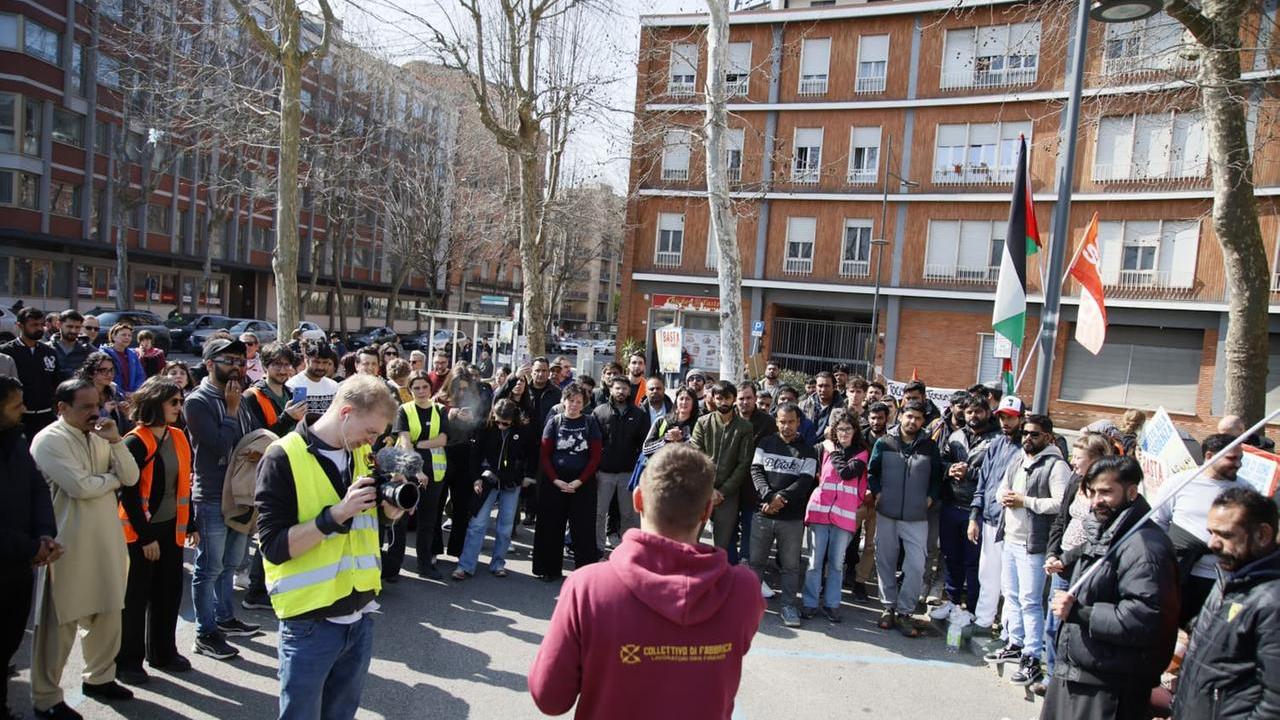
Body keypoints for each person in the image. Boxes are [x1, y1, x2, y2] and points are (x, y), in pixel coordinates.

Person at [529, 443, 765, 720]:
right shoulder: (743, 589)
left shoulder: (587, 587)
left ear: (638, 499)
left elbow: (550, 698)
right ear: (707, 511)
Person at [254, 375, 406, 720]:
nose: (373, 440)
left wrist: (390, 514)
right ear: (346, 412)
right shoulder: (281, 457)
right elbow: (273, 547)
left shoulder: (363, 453)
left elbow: (366, 527)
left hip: (361, 615)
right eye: (370, 432)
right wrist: (336, 515)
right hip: (311, 623)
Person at [30, 379, 140, 718]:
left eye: (98, 404)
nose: (96, 413)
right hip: (67, 544)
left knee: (108, 612)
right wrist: (112, 481)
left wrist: (117, 442)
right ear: (62, 408)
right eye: (86, 407)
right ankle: (46, 698)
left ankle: (100, 677)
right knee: (59, 623)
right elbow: (79, 487)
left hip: (107, 539)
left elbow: (132, 476)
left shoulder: (102, 435)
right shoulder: (49, 440)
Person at [1042, 456, 1180, 720]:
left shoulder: (1146, 547)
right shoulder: (1109, 531)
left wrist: (1080, 613)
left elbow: (1146, 618)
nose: (1097, 501)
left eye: (1106, 492)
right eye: (1092, 492)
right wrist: (1067, 560)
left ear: (1131, 492)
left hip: (1109, 688)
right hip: (1080, 674)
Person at [116, 378, 197, 685]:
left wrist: (190, 524)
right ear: (154, 404)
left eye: (180, 401)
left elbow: (184, 486)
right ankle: (128, 661)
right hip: (139, 534)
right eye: (173, 402)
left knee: (168, 592)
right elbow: (130, 495)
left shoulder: (178, 436)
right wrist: (146, 537)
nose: (179, 407)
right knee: (135, 598)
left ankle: (163, 652)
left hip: (170, 530)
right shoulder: (134, 441)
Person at [1173, 487, 1280, 720]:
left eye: (1225, 535)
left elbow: (1275, 704)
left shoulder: (1272, 602)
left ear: (1262, 535)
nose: (1212, 544)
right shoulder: (1227, 578)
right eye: (1211, 532)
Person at [184, 338, 258, 661]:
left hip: (241, 492)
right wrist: (229, 411)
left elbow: (250, 436)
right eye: (228, 360)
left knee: (231, 562)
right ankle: (205, 632)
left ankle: (225, 617)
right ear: (210, 363)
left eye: (240, 361)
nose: (237, 367)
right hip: (213, 493)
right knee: (209, 566)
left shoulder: (239, 397)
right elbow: (215, 445)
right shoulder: (197, 401)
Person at [983, 413, 1070, 687]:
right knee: (1011, 595)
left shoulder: (1057, 466)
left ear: (1048, 437)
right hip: (1011, 536)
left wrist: (1025, 501)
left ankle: (1032, 657)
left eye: (1034, 434)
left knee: (1031, 600)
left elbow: (1059, 504)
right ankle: (1015, 642)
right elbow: (1000, 489)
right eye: (1025, 434)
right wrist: (1005, 497)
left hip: (1035, 543)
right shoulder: (1019, 459)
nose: (1028, 439)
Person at [0, 376, 60, 720]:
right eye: (15, 404)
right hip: (12, 555)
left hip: (21, 563)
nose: (24, 409)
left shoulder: (16, 440)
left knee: (8, 641)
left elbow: (38, 489)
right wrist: (30, 546)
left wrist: (44, 535)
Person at [1152, 432, 1250, 628]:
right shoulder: (1180, 482)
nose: (1238, 464)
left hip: (1222, 581)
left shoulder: (1246, 491)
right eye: (1232, 458)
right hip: (1180, 578)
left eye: (1241, 459)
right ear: (1209, 456)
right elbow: (1158, 523)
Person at [1041, 432, 1113, 691]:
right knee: (1052, 626)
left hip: (1084, 567)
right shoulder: (1075, 481)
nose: (1073, 463)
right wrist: (1052, 553)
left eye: (1078, 458)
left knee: (1073, 627)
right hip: (1060, 563)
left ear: (1096, 460)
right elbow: (1061, 520)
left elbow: (1100, 537)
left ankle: (1067, 680)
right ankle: (1050, 677)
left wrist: (1065, 559)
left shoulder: (1105, 494)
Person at [868, 400, 943, 638]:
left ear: (923, 421)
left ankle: (905, 611)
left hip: (917, 517)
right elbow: (872, 472)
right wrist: (878, 493)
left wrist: (929, 499)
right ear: (901, 416)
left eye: (918, 418)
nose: (913, 422)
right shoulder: (884, 442)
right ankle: (888, 607)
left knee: (916, 565)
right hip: (887, 513)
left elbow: (937, 478)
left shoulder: (930, 447)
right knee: (885, 561)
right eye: (909, 416)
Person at [749, 401, 817, 627]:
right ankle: (750, 606)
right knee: (756, 563)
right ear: (776, 421)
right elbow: (756, 470)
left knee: (790, 566)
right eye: (782, 422)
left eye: (791, 422)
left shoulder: (808, 448)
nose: (786, 426)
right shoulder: (765, 442)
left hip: (792, 518)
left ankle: (788, 606)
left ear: (799, 423)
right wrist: (769, 497)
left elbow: (805, 481)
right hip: (763, 513)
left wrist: (780, 500)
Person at [932, 392, 998, 622]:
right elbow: (940, 461)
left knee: (973, 562)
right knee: (951, 557)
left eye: (979, 411)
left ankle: (971, 608)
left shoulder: (996, 440)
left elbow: (995, 476)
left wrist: (970, 472)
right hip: (951, 504)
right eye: (969, 411)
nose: (973, 416)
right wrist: (949, 468)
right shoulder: (956, 435)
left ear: (988, 413)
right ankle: (951, 602)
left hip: (976, 511)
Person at [968, 395, 1026, 639]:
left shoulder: (1026, 448)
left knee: (1010, 583)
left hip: (1014, 524)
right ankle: (983, 620)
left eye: (1011, 417)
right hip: (990, 520)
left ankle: (1008, 632)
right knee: (987, 574)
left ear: (1021, 419)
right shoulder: (996, 444)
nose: (1005, 422)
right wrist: (974, 516)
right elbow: (982, 484)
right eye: (1002, 416)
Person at [803, 410, 868, 623]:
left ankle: (832, 605)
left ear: (855, 431)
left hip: (844, 517)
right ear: (834, 430)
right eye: (840, 429)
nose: (844, 433)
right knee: (814, 562)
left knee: (837, 564)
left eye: (848, 429)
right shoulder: (822, 449)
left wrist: (833, 452)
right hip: (819, 512)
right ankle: (810, 603)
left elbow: (846, 473)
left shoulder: (861, 453)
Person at [453, 400, 530, 580]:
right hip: (487, 480)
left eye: (506, 423)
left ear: (514, 420)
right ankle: (465, 565)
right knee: (477, 524)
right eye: (498, 421)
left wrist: (523, 476)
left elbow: (528, 456)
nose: (501, 426)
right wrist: (476, 478)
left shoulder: (523, 431)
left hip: (511, 483)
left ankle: (498, 563)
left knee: (505, 527)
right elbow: (474, 455)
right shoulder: (484, 428)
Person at [533, 383, 603, 580]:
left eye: (578, 401)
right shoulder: (554, 422)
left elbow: (595, 457)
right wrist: (556, 480)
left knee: (583, 530)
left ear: (584, 404)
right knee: (551, 527)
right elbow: (545, 455)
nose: (573, 404)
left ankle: (584, 575)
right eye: (570, 400)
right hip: (554, 484)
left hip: (583, 485)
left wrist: (579, 482)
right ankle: (549, 570)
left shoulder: (590, 423)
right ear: (563, 401)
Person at [388, 371, 450, 580]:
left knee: (428, 521)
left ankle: (425, 566)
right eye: (417, 388)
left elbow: (442, 439)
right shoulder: (403, 410)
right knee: (400, 520)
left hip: (435, 473)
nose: (421, 391)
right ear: (410, 390)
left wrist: (421, 443)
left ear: (430, 389)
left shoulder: (439, 410)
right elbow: (405, 443)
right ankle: (393, 568)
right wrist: (418, 471)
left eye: (425, 387)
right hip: (407, 472)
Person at [692, 380, 754, 552]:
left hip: (728, 495)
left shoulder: (745, 427)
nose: (723, 402)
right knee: (689, 541)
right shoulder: (703, 422)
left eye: (727, 398)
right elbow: (696, 457)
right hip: (702, 490)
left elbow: (744, 463)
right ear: (713, 398)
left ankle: (715, 578)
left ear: (734, 399)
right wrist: (708, 488)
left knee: (721, 547)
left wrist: (723, 491)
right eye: (719, 398)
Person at [592, 376, 650, 552]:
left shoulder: (639, 414)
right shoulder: (599, 412)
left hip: (628, 473)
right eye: (617, 388)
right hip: (604, 472)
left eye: (624, 388)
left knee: (629, 515)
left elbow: (644, 445)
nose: (621, 392)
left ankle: (627, 552)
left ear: (629, 391)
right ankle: (597, 549)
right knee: (599, 514)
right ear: (610, 389)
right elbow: (593, 444)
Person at [1, 307, 60, 441]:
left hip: (46, 416)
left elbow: (56, 382)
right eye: (34, 325)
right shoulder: (6, 352)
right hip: (19, 419)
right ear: (19, 326)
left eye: (41, 324)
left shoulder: (49, 352)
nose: (39, 328)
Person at [240, 342, 308, 438]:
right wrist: (288, 418)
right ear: (265, 366)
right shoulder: (251, 397)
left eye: (286, 365)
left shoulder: (291, 394)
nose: (282, 370)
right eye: (277, 364)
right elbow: (258, 438)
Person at [78, 351, 130, 433]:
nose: (109, 374)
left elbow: (124, 427)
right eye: (103, 370)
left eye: (111, 370)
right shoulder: (81, 395)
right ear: (91, 373)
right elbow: (83, 427)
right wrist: (104, 412)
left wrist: (126, 414)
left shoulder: (114, 390)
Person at [640, 385, 697, 459]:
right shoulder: (662, 421)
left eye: (688, 399)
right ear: (676, 401)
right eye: (681, 399)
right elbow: (645, 450)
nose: (684, 402)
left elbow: (699, 451)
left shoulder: (698, 424)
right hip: (663, 467)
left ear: (694, 403)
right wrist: (666, 439)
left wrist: (681, 441)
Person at [287, 341, 340, 415]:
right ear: (306, 359)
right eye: (316, 362)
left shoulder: (333, 386)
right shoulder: (293, 385)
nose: (320, 367)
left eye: (325, 362)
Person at [101, 323, 146, 395]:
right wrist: (123, 393)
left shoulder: (133, 355)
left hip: (132, 396)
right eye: (123, 335)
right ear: (113, 336)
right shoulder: (104, 354)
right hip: (112, 395)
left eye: (129, 335)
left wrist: (134, 392)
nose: (127, 337)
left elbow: (140, 375)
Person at [48, 310, 90, 382]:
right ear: (59, 325)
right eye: (69, 327)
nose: (73, 331)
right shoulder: (47, 348)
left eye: (77, 327)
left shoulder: (87, 350)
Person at [801, 371, 839, 438]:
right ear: (816, 387)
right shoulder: (804, 405)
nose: (823, 389)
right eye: (820, 386)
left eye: (827, 386)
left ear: (834, 387)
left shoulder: (842, 408)